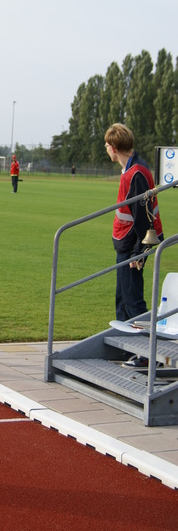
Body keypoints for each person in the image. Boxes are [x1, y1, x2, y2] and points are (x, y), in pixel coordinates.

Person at [104, 123, 163, 368]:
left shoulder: (136, 173)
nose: (106, 149)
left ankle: (147, 355)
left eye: (107, 145)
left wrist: (140, 251)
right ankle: (126, 348)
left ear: (114, 147)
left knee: (133, 300)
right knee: (123, 299)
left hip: (133, 246)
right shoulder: (132, 168)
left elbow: (142, 216)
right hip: (127, 244)